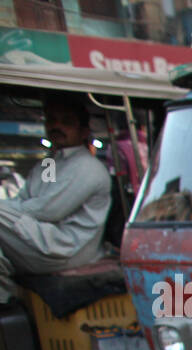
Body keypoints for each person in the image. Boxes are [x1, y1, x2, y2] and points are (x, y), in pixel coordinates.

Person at [0, 92, 110, 303]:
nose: (56, 126)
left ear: (83, 131)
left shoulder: (88, 168)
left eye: (66, 122)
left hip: (65, 249)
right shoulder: (51, 163)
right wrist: (10, 210)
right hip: (41, 237)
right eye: (52, 120)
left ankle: (5, 298)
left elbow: (47, 211)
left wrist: (7, 211)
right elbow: (28, 197)